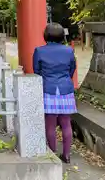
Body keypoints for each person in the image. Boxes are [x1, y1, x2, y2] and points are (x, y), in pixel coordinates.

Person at [33, 23, 77, 164]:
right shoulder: (69, 51)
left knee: (50, 123)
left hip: (48, 88)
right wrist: (64, 78)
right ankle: (67, 155)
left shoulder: (39, 51)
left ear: (46, 35)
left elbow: (36, 71)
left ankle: (52, 152)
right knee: (66, 123)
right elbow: (72, 69)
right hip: (65, 88)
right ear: (61, 35)